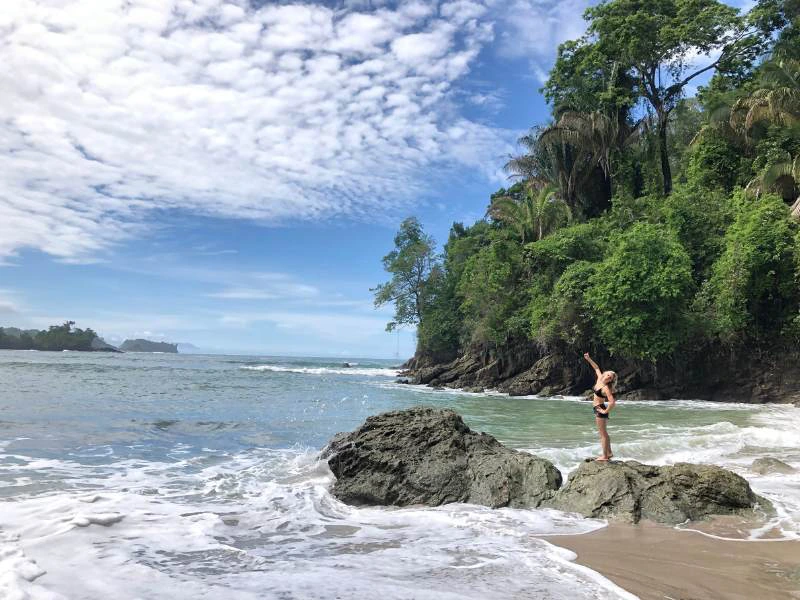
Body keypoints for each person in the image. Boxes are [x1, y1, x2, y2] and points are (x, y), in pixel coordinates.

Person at [583, 352, 617, 462]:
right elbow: (596, 367)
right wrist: (588, 359)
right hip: (597, 409)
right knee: (604, 433)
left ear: (611, 380)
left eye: (610, 377)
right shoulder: (599, 379)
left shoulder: (606, 388)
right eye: (608, 375)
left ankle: (605, 456)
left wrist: (604, 411)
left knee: (602, 434)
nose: (608, 377)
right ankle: (609, 453)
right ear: (605, 373)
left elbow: (612, 402)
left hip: (599, 409)